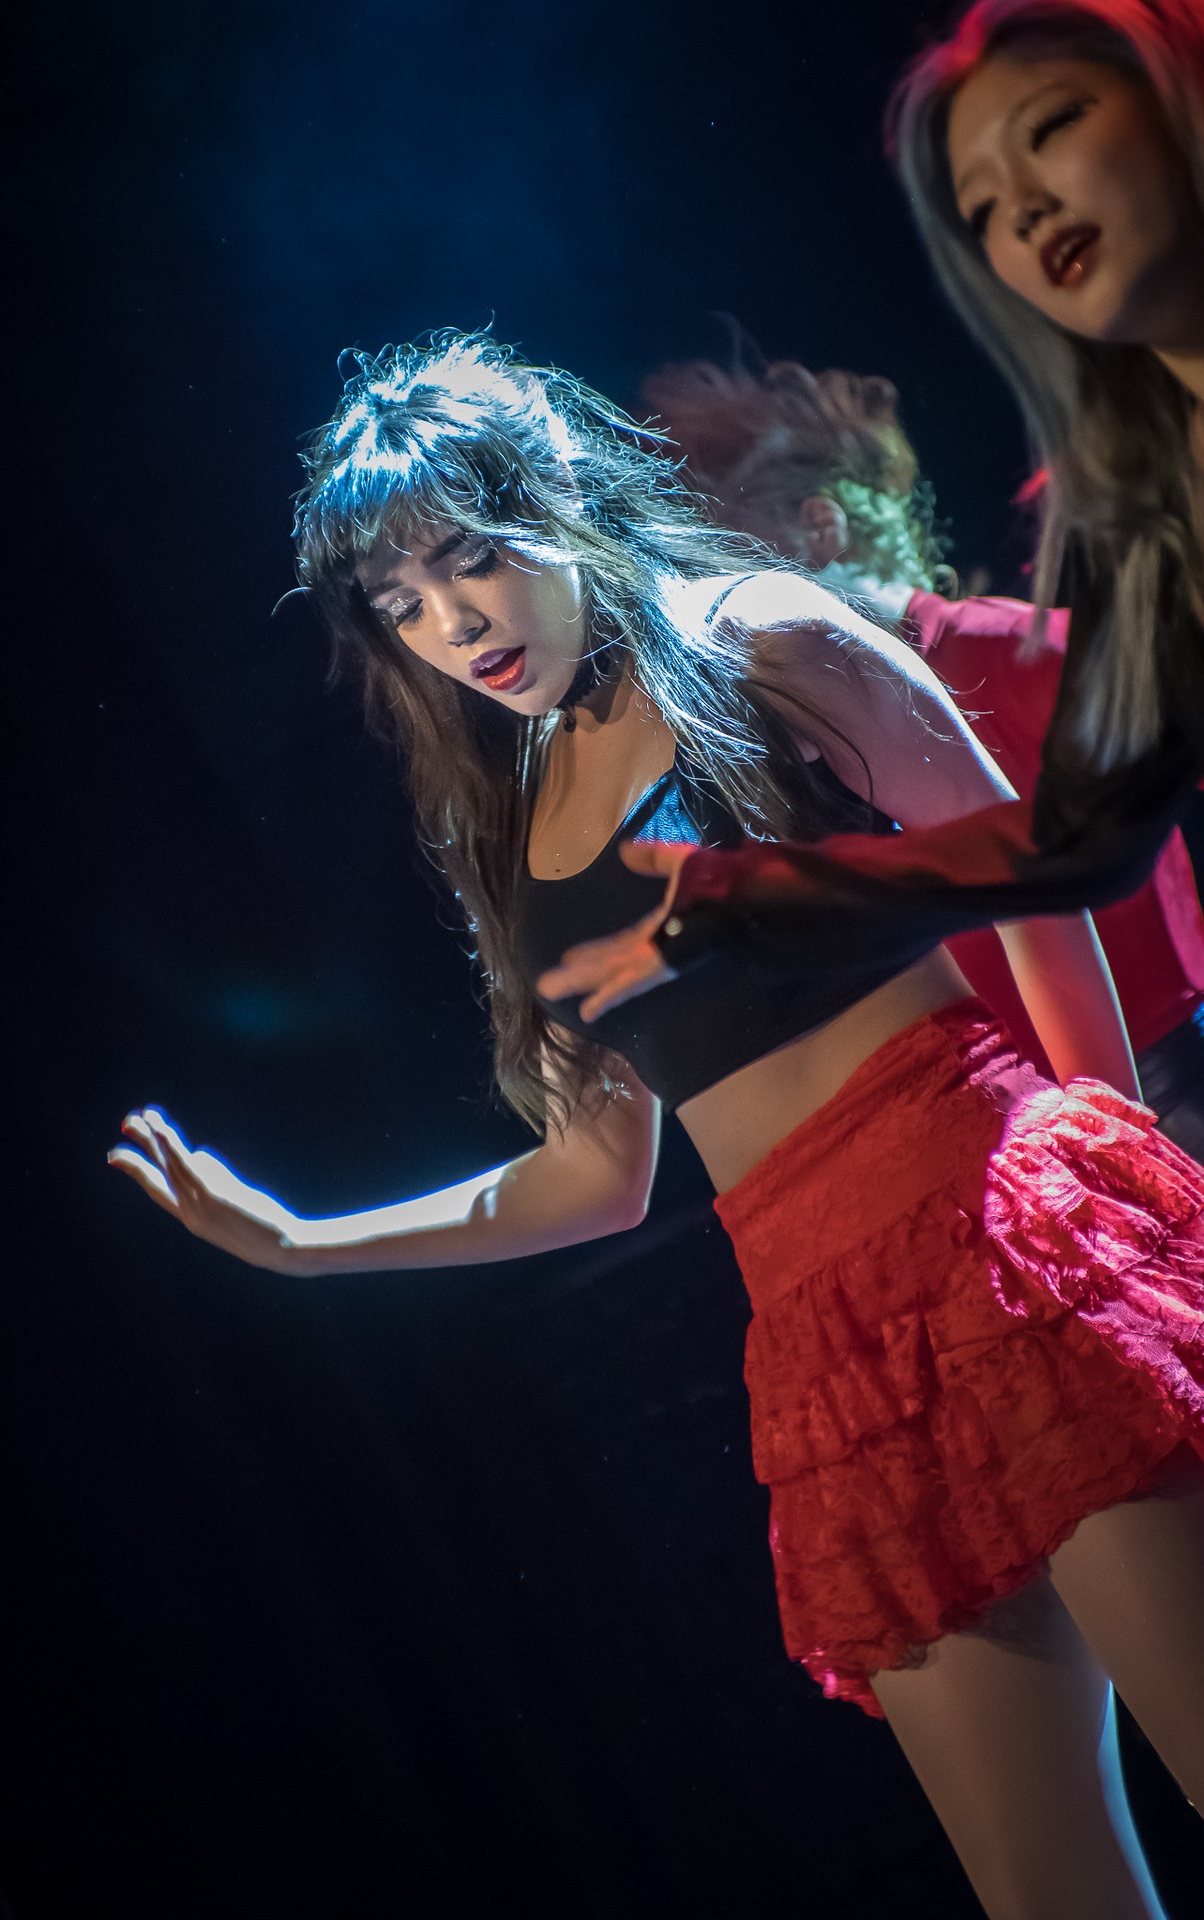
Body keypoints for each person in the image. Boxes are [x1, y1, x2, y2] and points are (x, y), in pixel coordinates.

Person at [111, 336, 1203, 1920]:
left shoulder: (756, 632)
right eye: (402, 603)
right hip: (835, 1357)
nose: (453, 623)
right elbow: (598, 1174)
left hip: (1003, 1239)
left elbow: (1030, 864)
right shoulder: (518, 832)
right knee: (1050, 1895)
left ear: (561, 495)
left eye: (472, 559)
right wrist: (300, 1244)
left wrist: (1101, 1155)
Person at [640, 352, 1204, 1151]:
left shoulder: (1016, 649)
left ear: (819, 528)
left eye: (729, 561)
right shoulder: (799, 739)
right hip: (1016, 1118)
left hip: (1163, 1086)